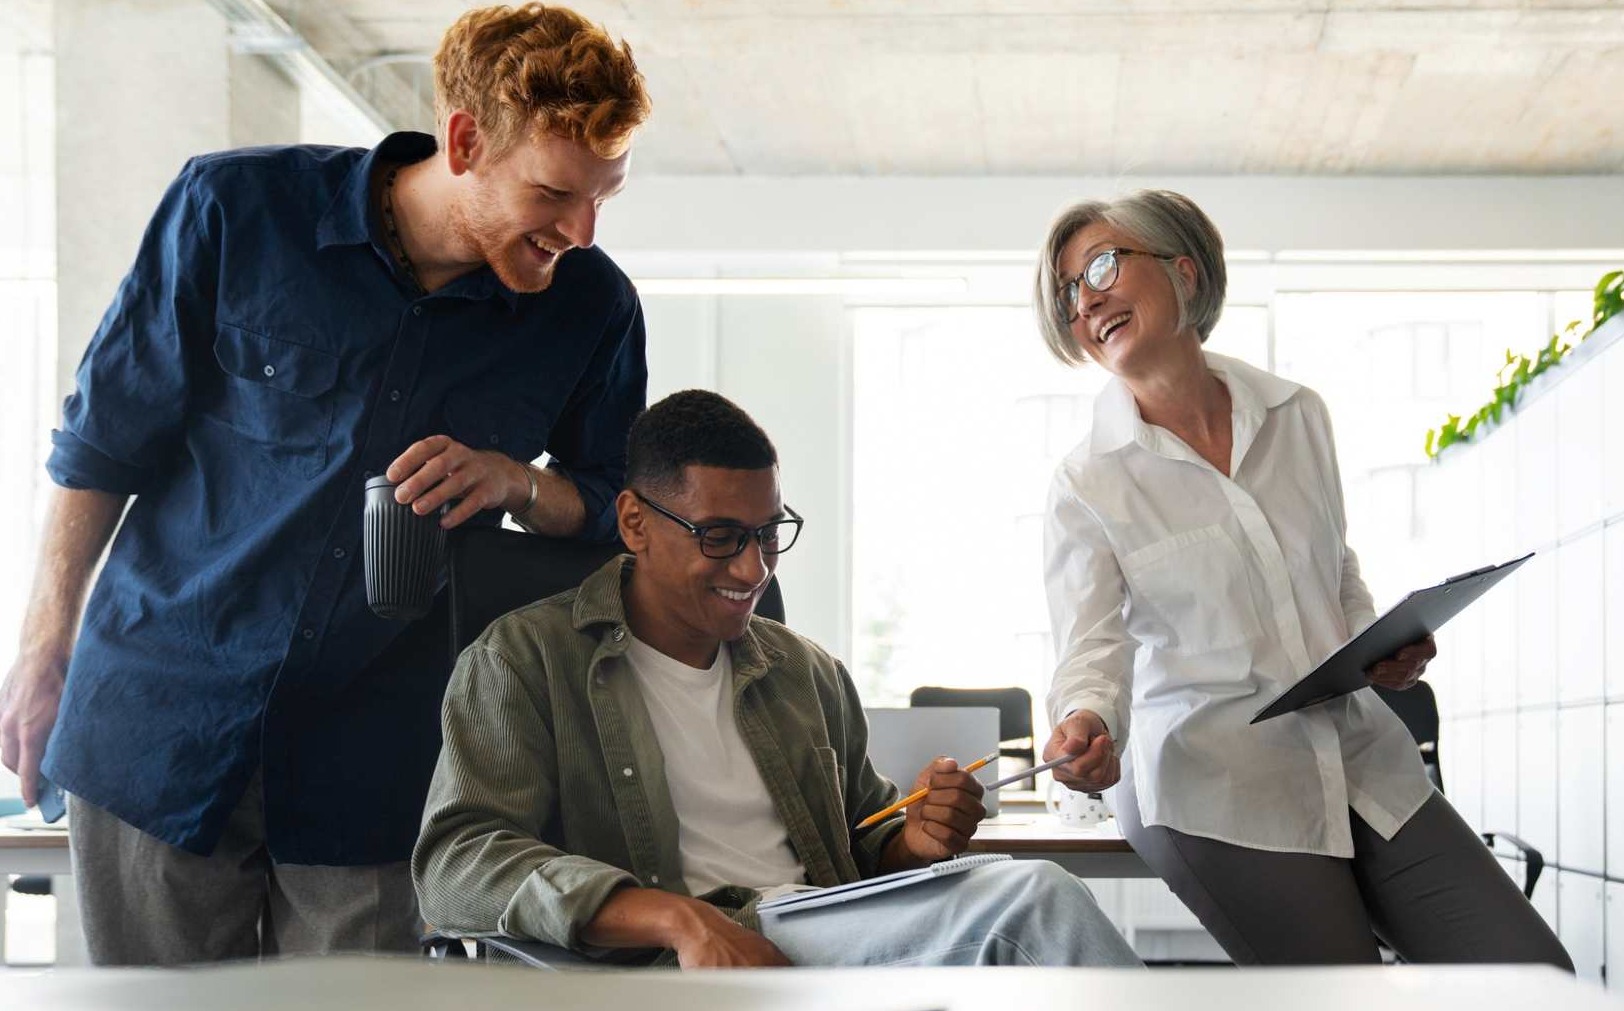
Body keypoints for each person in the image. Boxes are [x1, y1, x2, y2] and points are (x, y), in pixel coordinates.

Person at [0, 4, 651, 965]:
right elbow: (104, 442)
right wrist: (42, 649)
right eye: (556, 192)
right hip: (161, 720)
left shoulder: (592, 309)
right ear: (466, 141)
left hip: (383, 765)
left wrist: (518, 482)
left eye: (606, 196)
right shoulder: (234, 210)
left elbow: (616, 509)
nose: (582, 231)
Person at [413, 391, 1141, 969]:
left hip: (818, 935)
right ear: (634, 522)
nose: (753, 569)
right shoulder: (523, 660)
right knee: (1034, 901)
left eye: (768, 534)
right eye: (721, 536)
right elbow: (457, 863)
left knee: (1024, 909)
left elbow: (865, 838)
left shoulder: (804, 670)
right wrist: (679, 917)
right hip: (673, 962)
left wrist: (916, 840)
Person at [1032, 190, 1572, 968]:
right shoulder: (1087, 482)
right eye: (1070, 291)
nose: (1087, 300)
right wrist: (1087, 720)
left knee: (1536, 979)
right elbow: (1091, 647)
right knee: (1345, 995)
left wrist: (1378, 645)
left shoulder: (1297, 416)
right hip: (1211, 779)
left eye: (1104, 266)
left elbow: (1335, 568)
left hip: (1357, 750)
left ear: (1183, 271)